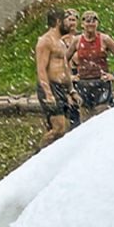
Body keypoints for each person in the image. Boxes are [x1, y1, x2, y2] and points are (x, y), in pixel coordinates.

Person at [69, 11, 114, 119]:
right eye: (88, 21)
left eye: (93, 21)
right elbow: (64, 59)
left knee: (102, 116)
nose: (90, 24)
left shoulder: (104, 39)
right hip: (83, 84)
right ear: (82, 24)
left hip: (101, 84)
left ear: (97, 23)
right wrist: (70, 76)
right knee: (86, 119)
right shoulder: (77, 40)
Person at [33, 10, 78, 148]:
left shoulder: (61, 42)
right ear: (59, 21)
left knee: (61, 129)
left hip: (61, 87)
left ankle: (51, 156)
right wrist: (48, 93)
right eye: (66, 20)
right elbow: (41, 69)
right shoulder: (45, 41)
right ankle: (37, 157)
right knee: (59, 128)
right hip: (50, 86)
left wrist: (71, 90)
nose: (70, 24)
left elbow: (65, 68)